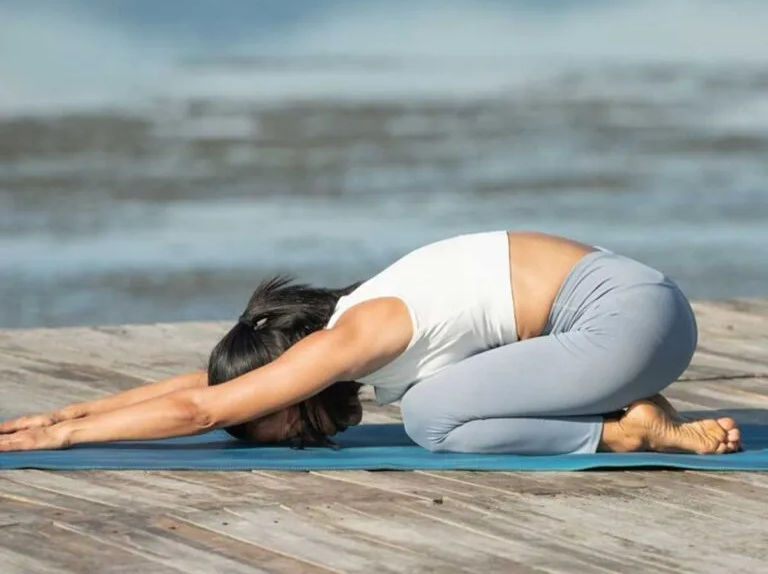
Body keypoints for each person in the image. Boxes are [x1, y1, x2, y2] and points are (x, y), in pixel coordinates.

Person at [0, 231, 742, 456]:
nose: (297, 430)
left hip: (624, 325)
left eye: (282, 419)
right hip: (644, 315)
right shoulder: (355, 317)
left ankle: (623, 432)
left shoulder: (355, 334)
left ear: (292, 373)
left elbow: (200, 409)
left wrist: (61, 443)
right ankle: (622, 411)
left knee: (429, 419)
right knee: (430, 404)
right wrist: (72, 413)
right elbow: (204, 386)